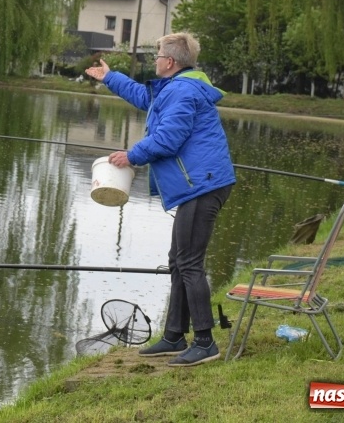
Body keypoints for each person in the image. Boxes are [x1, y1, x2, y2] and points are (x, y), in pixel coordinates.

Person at [85, 32, 236, 367]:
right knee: (178, 260)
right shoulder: (176, 87)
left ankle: (205, 342)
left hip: (203, 185)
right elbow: (144, 96)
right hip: (197, 184)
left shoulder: (183, 91)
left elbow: (169, 138)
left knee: (190, 263)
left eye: (156, 56)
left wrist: (132, 156)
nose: (154, 60)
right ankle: (173, 336)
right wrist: (111, 77)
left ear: (169, 62)